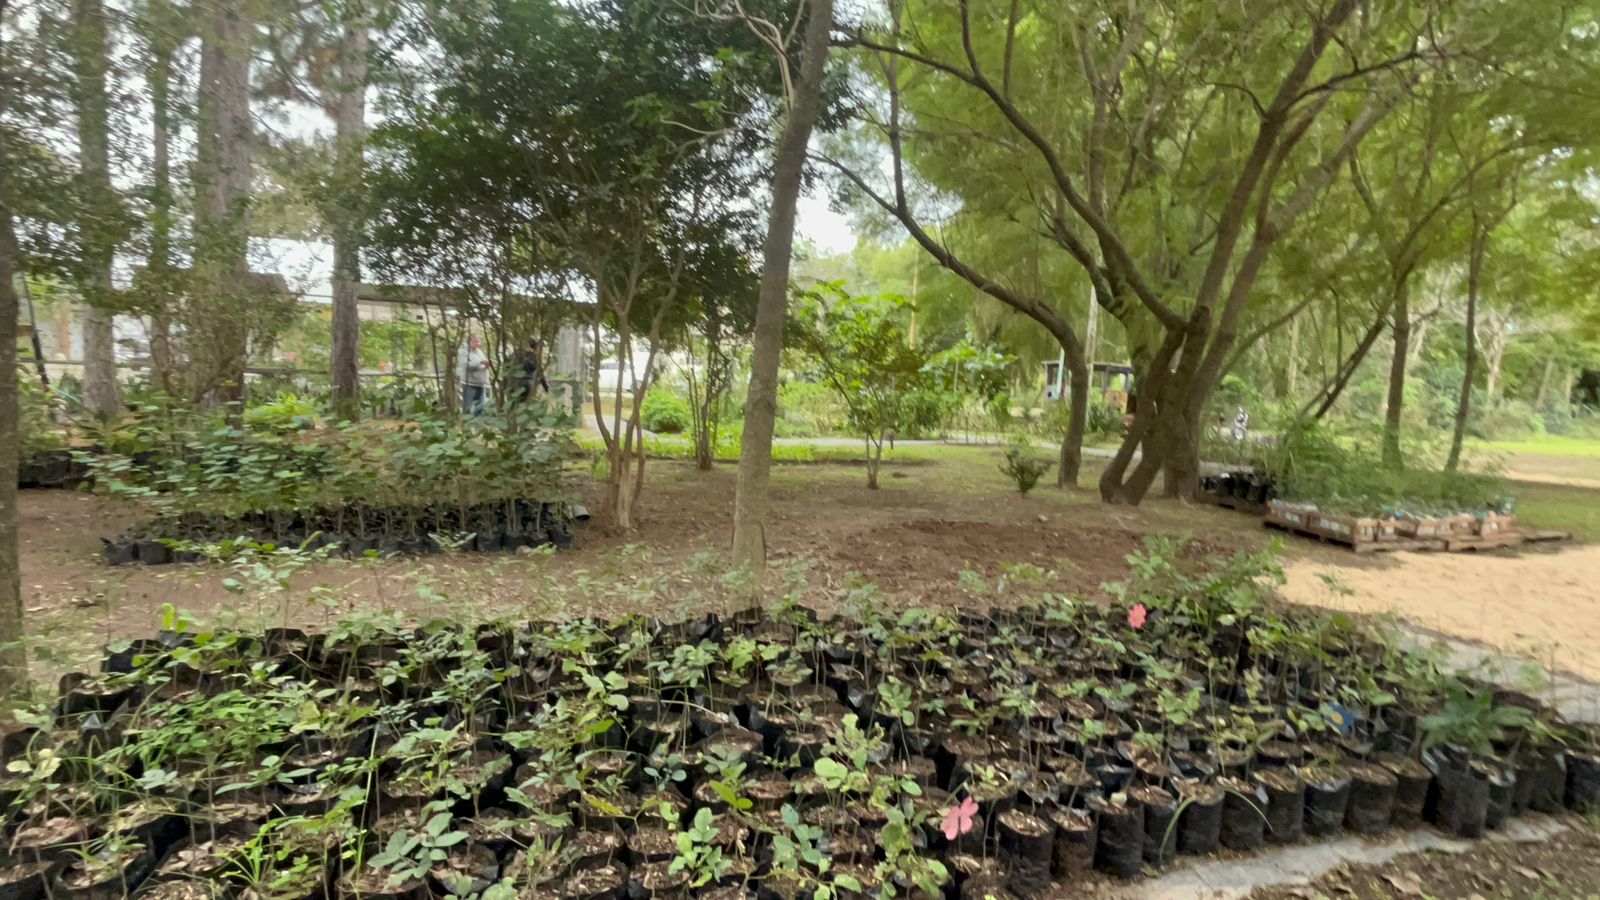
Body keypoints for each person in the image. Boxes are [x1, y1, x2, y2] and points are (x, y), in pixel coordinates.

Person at [457, 334, 491, 414]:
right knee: (468, 407)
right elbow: (465, 365)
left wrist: (487, 364)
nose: (478, 344)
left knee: (480, 408)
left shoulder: (479, 352)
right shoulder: (463, 351)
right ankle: (466, 424)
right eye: (476, 341)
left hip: (481, 384)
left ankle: (478, 425)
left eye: (479, 342)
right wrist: (480, 362)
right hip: (469, 384)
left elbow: (484, 363)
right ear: (470, 342)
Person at [511, 337, 550, 405]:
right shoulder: (534, 357)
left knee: (516, 405)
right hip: (528, 382)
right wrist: (546, 388)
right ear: (536, 347)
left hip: (516, 382)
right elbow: (540, 374)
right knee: (526, 404)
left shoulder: (517, 356)